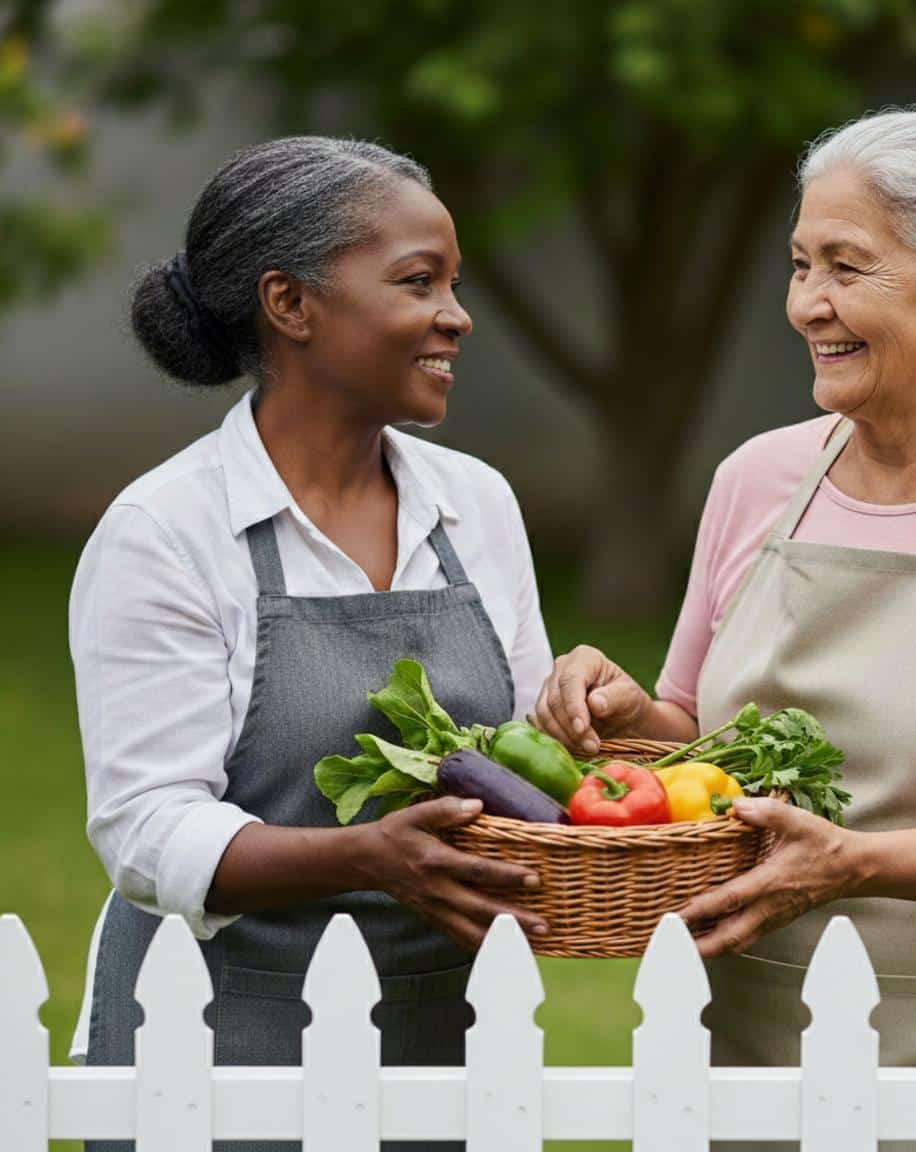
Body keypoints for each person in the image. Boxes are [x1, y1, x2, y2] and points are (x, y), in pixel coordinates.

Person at [535, 108, 916, 1152]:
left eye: (846, 267)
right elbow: (692, 740)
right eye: (799, 265)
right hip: (745, 1040)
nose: (807, 306)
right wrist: (622, 711)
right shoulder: (758, 481)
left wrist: (857, 860)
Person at [69, 136, 553, 1152]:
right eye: (418, 283)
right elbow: (147, 830)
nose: (456, 316)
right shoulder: (170, 530)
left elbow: (526, 773)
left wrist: (582, 723)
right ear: (289, 304)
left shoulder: (476, 506)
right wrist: (366, 858)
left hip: (446, 1038)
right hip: (213, 1048)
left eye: (454, 284)